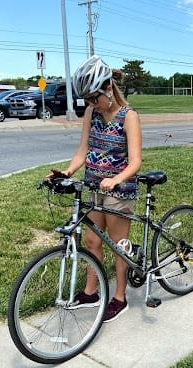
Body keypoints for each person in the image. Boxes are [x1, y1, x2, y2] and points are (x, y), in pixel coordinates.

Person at [53, 55, 142, 322]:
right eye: (87, 101)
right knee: (92, 240)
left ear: (108, 89)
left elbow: (136, 162)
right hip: (94, 185)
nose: (91, 104)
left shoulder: (129, 117)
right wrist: (68, 171)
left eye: (94, 98)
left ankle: (119, 297)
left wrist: (116, 179)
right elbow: (83, 150)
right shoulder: (92, 113)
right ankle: (91, 292)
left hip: (119, 191)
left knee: (117, 246)